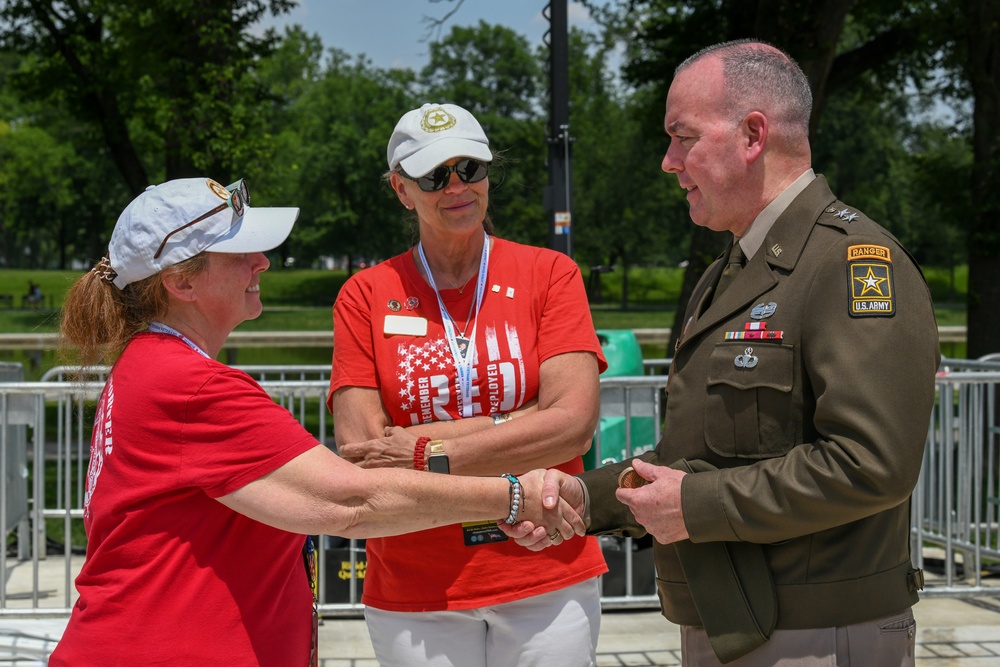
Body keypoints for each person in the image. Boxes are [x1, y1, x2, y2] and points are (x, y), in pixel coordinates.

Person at [509, 40, 941, 667]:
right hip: (734, 624)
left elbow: (870, 464)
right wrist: (585, 499)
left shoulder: (850, 265)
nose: (667, 162)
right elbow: (700, 460)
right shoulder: (730, 274)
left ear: (753, 135)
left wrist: (691, 507)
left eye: (683, 137)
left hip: (817, 636)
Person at [51, 177, 584, 667]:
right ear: (180, 283)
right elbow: (351, 502)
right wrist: (514, 496)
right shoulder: (192, 386)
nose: (261, 262)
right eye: (239, 253)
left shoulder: (151, 367)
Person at [328, 102, 609, 667]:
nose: (456, 186)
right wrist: (525, 418)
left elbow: (573, 426)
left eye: (470, 169)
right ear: (402, 191)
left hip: (547, 561)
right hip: (416, 581)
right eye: (434, 175)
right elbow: (365, 456)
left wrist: (431, 450)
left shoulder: (551, 274)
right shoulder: (364, 294)